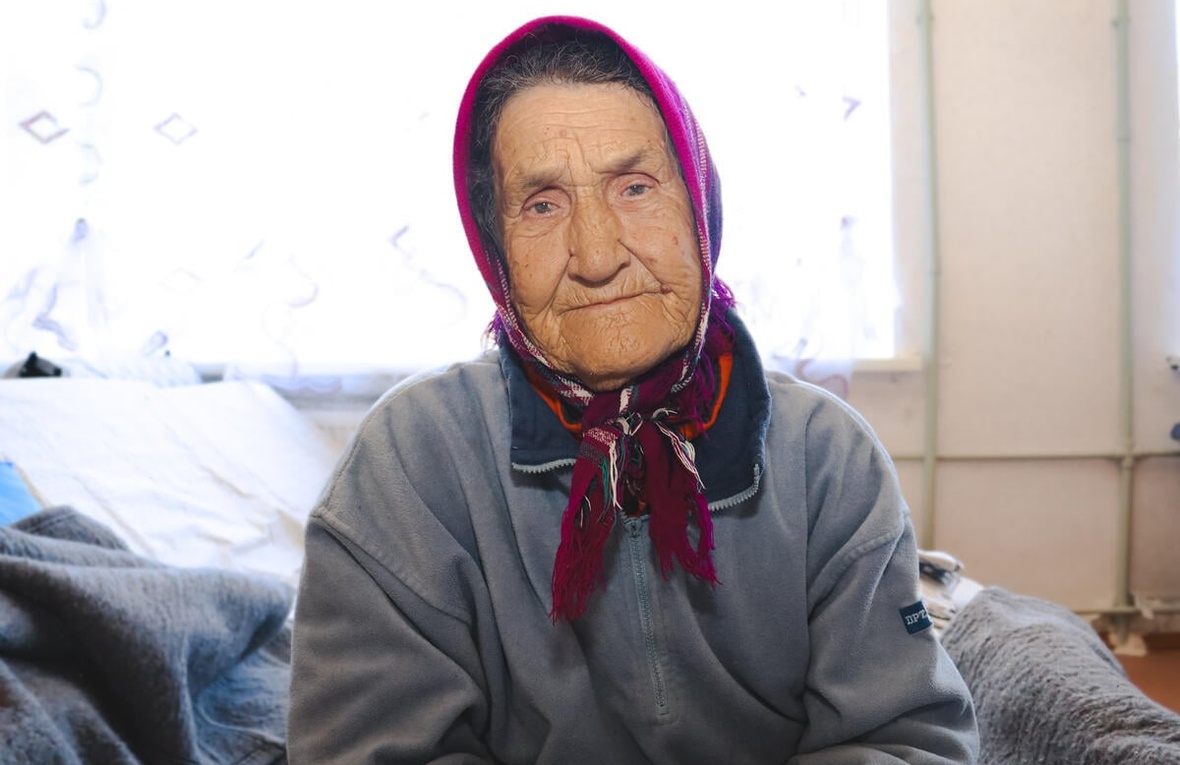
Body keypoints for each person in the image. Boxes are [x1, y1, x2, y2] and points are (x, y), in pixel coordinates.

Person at [288, 15, 978, 764]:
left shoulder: (826, 456)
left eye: (636, 186)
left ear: (700, 210)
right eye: (543, 204)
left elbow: (905, 740)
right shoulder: (411, 463)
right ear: (496, 251)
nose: (595, 254)